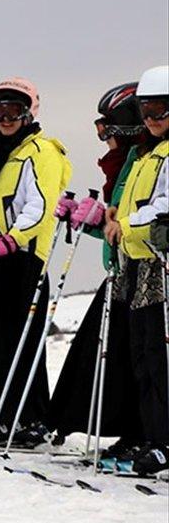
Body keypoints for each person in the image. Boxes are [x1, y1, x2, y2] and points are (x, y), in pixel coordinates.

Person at [0, 77, 73, 445]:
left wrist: (11, 240)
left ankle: (28, 416)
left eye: (14, 111)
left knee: (14, 340)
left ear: (29, 113)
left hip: (19, 261)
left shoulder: (40, 151)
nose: (5, 119)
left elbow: (41, 205)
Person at [47, 82, 145, 450]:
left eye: (109, 134)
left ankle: (143, 430)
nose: (105, 143)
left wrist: (104, 221)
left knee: (132, 354)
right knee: (110, 353)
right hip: (122, 270)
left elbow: (135, 221)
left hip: (144, 272)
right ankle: (126, 428)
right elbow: (116, 226)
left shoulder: (143, 162)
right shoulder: (125, 165)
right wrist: (91, 221)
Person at [106, 64, 168, 474]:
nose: (151, 120)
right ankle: (149, 434)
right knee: (141, 354)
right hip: (137, 262)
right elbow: (134, 205)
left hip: (159, 267)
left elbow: (162, 207)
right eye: (146, 112)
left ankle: (164, 439)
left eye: (160, 111)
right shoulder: (145, 155)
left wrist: (123, 225)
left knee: (158, 354)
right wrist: (111, 216)